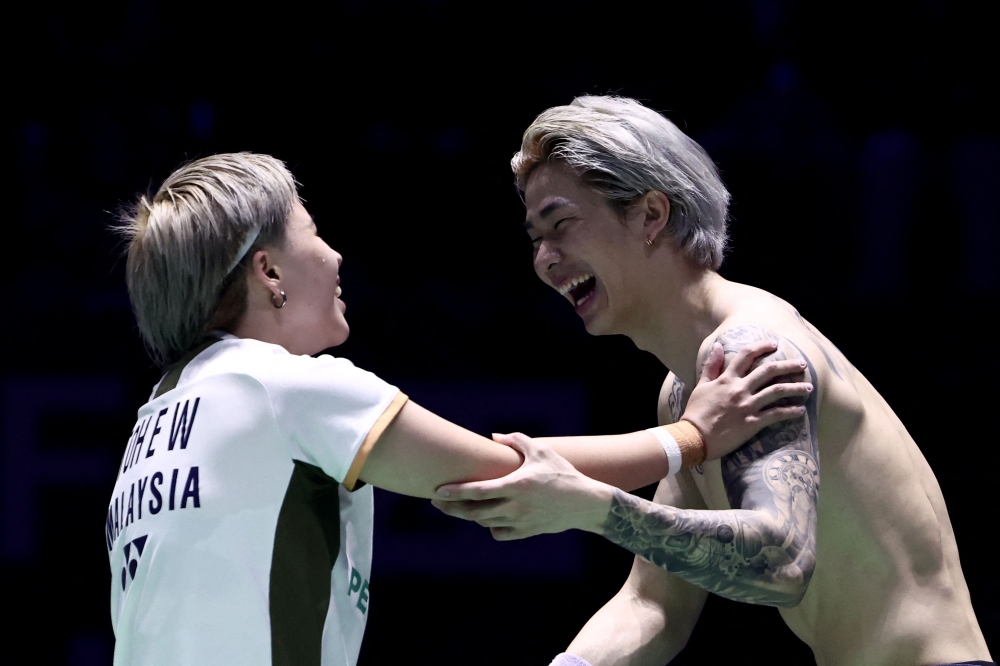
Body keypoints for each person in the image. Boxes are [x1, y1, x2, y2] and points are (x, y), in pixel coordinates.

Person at [106, 152, 812, 666]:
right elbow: (503, 474)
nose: (336, 253)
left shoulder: (157, 417)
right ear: (268, 273)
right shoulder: (281, 384)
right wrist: (691, 437)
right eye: (312, 233)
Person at [432, 97, 994, 666]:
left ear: (651, 215)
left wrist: (593, 508)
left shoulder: (754, 349)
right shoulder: (688, 390)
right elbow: (653, 605)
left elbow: (780, 563)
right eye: (535, 238)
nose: (545, 259)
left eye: (561, 224)